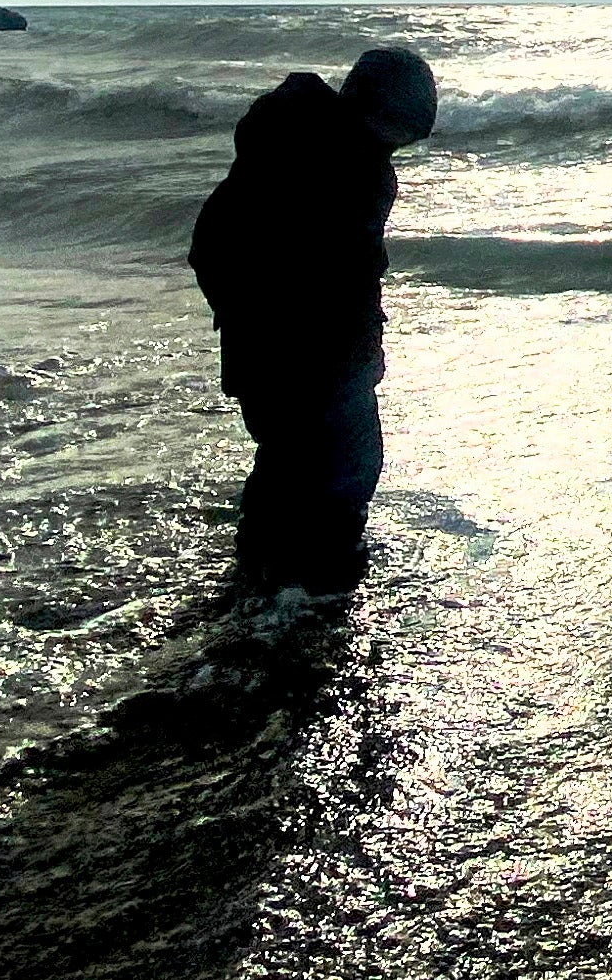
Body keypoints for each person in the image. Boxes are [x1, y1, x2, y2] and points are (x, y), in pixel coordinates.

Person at [187, 45, 437, 592]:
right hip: (311, 356)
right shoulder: (343, 165)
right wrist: (349, 351)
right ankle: (315, 582)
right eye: (399, 132)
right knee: (337, 464)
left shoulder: (286, 145)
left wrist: (241, 317)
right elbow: (345, 277)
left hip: (266, 347)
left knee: (288, 461)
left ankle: (268, 575)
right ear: (375, 111)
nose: (397, 147)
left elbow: (211, 244)